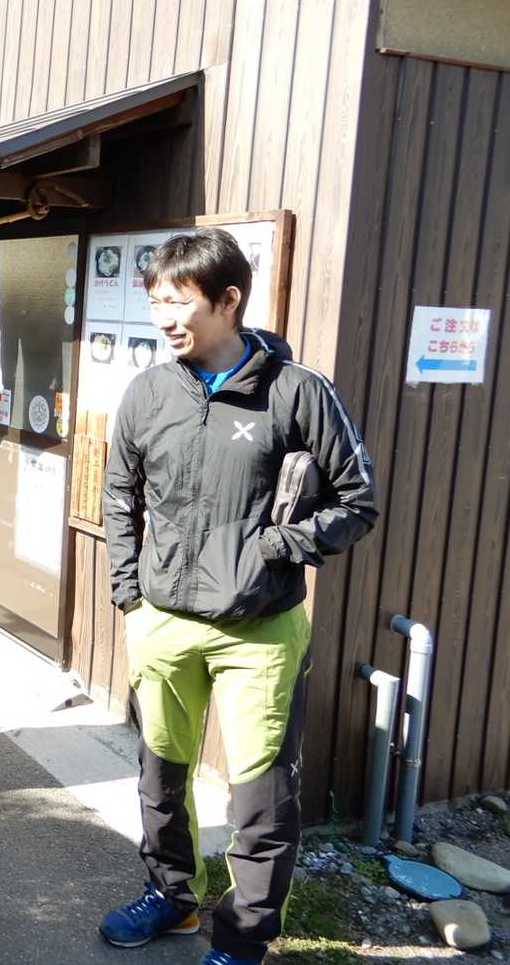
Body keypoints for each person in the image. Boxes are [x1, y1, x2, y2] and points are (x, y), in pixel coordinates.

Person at [100, 228, 378, 965]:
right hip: (162, 621)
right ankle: (172, 897)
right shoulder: (149, 390)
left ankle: (244, 940)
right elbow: (120, 492)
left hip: (259, 630)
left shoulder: (297, 391)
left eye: (178, 302)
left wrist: (275, 547)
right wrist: (129, 592)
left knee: (260, 794)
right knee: (162, 777)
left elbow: (358, 500)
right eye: (156, 302)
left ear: (229, 300)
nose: (164, 319)